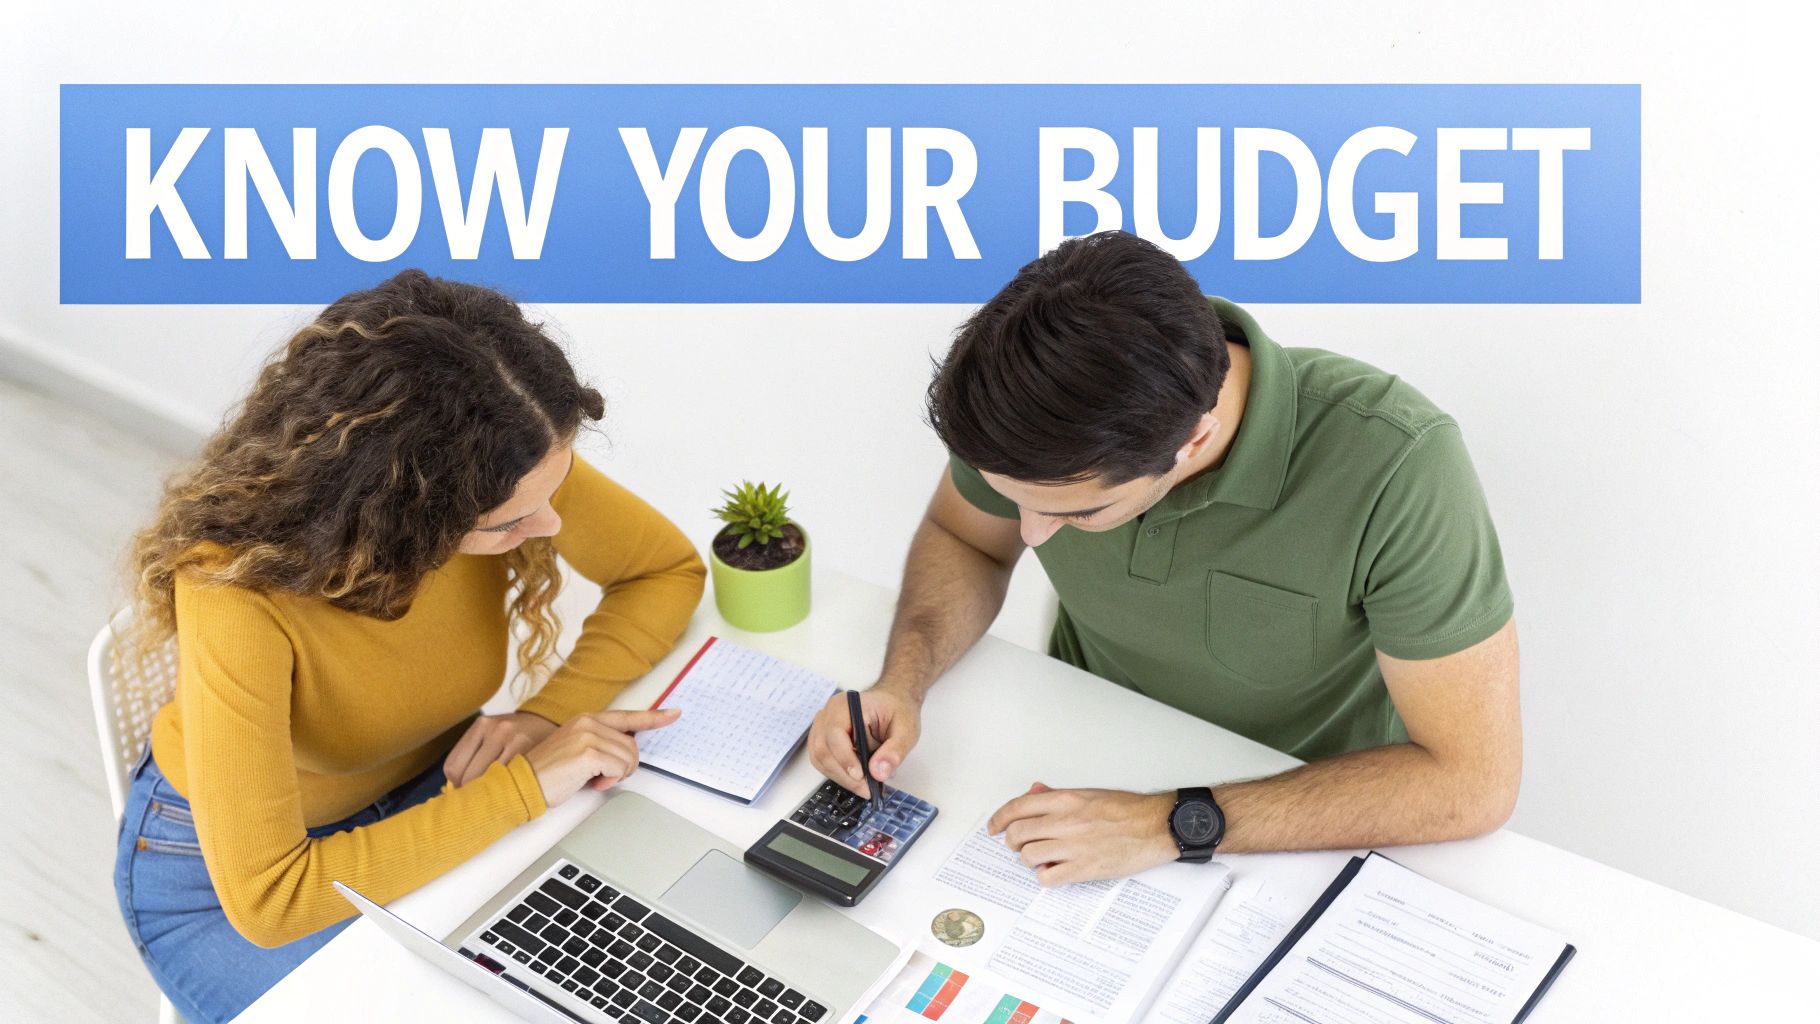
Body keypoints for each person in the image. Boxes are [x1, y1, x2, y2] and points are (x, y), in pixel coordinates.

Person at [808, 231, 1519, 884]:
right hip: (1079, 760)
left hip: (1302, 816)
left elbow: (1471, 783)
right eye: (1016, 499)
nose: (1027, 534)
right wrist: (902, 682)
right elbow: (966, 538)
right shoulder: (1031, 411)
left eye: (1076, 512)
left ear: (1195, 442)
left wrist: (1169, 823)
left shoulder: (1397, 463)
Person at [113, 270, 705, 1023]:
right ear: (401, 509)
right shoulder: (233, 590)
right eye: (511, 524)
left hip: (435, 790)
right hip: (225, 888)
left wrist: (549, 719)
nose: (550, 527)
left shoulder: (510, 467)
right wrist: (525, 788)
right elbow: (271, 898)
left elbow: (663, 570)